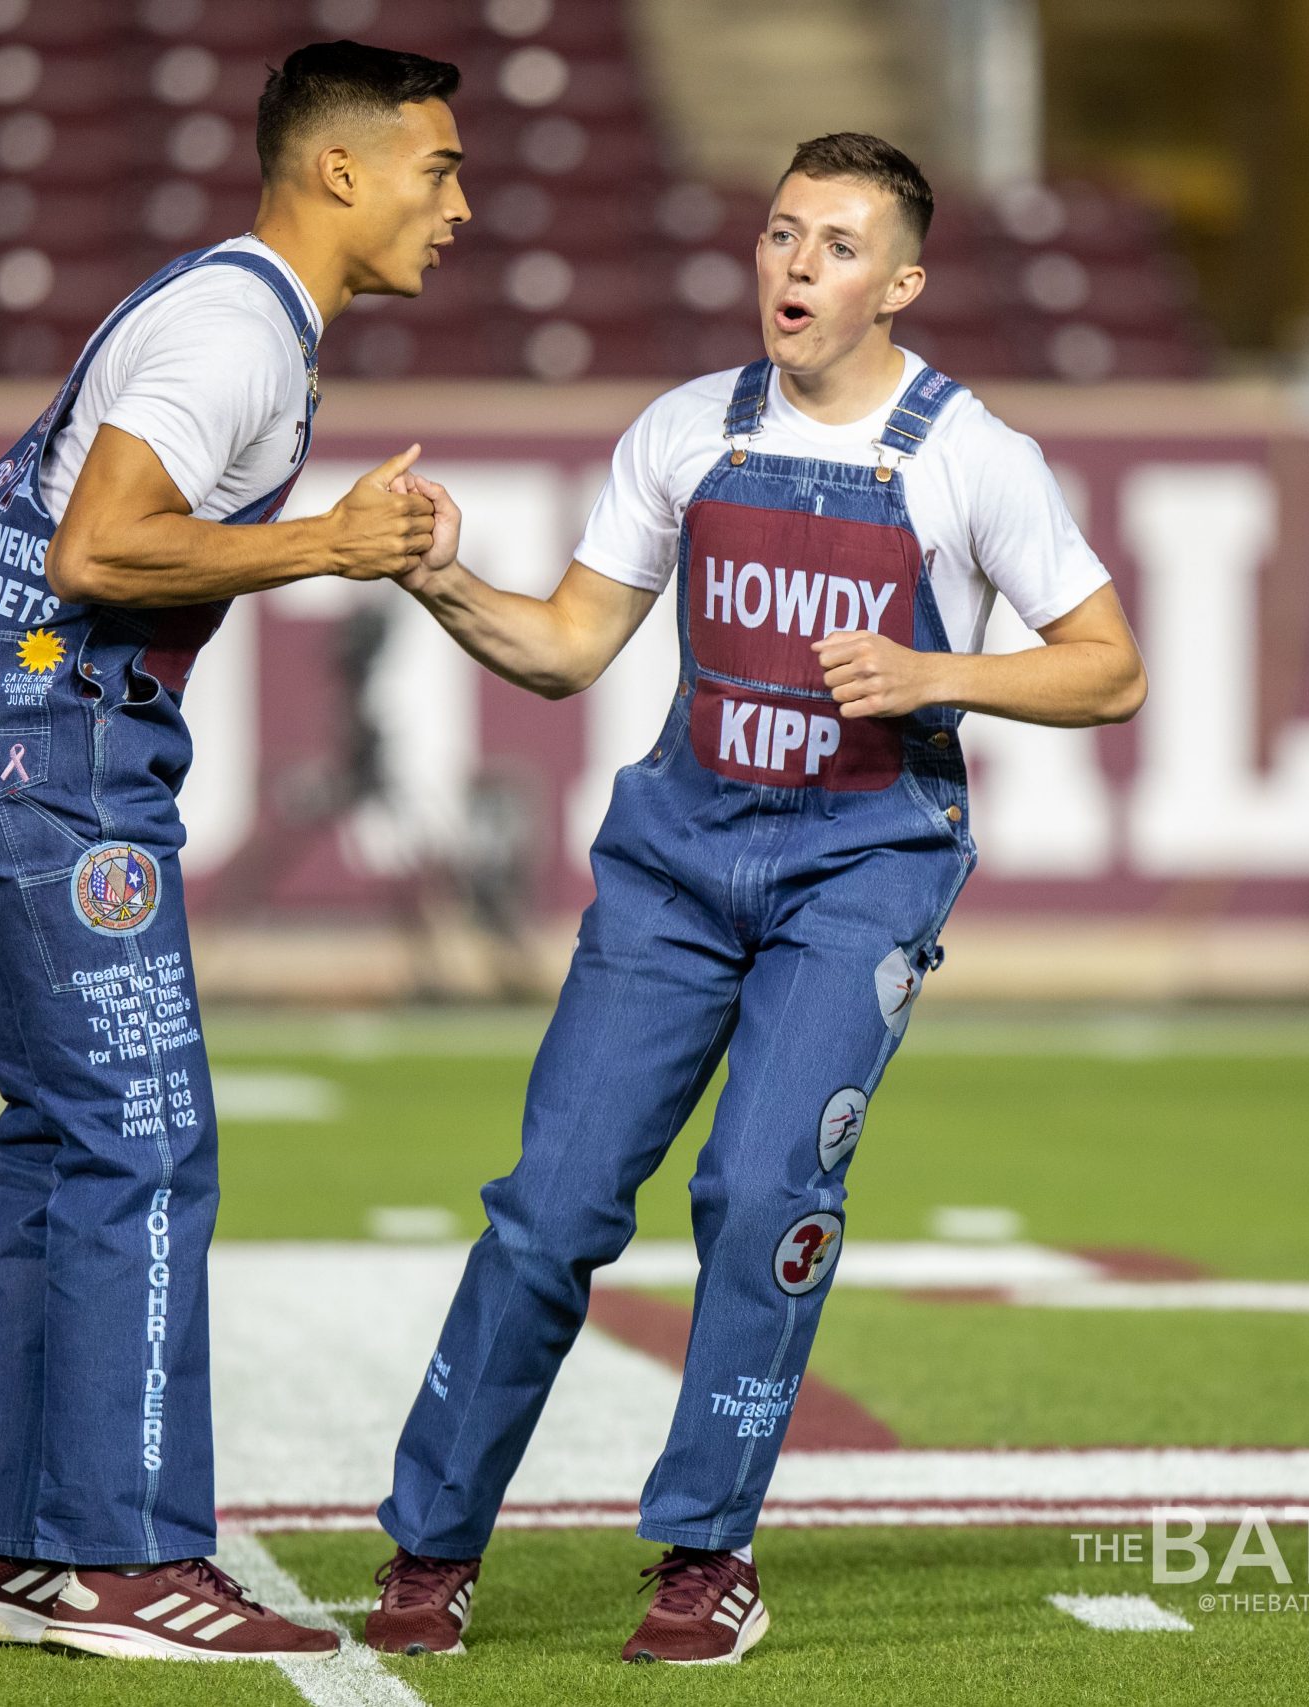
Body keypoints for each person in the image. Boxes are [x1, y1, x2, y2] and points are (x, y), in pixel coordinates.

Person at [361, 133, 1147, 1664]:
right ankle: (430, 1549)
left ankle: (706, 1554)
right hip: (674, 867)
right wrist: (439, 577)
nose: (795, 265)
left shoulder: (975, 457)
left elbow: (1109, 665)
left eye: (837, 245)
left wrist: (940, 675)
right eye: (783, 234)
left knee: (763, 1198)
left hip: (860, 872)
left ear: (902, 283)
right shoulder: (682, 430)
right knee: (548, 1214)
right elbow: (568, 647)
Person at [0, 40, 467, 1662]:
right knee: (145, 1139)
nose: (463, 204)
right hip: (52, 751)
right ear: (339, 171)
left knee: (61, 1144)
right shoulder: (237, 335)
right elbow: (100, 542)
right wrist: (329, 542)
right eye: (438, 168)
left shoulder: (218, 303)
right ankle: (130, 1563)